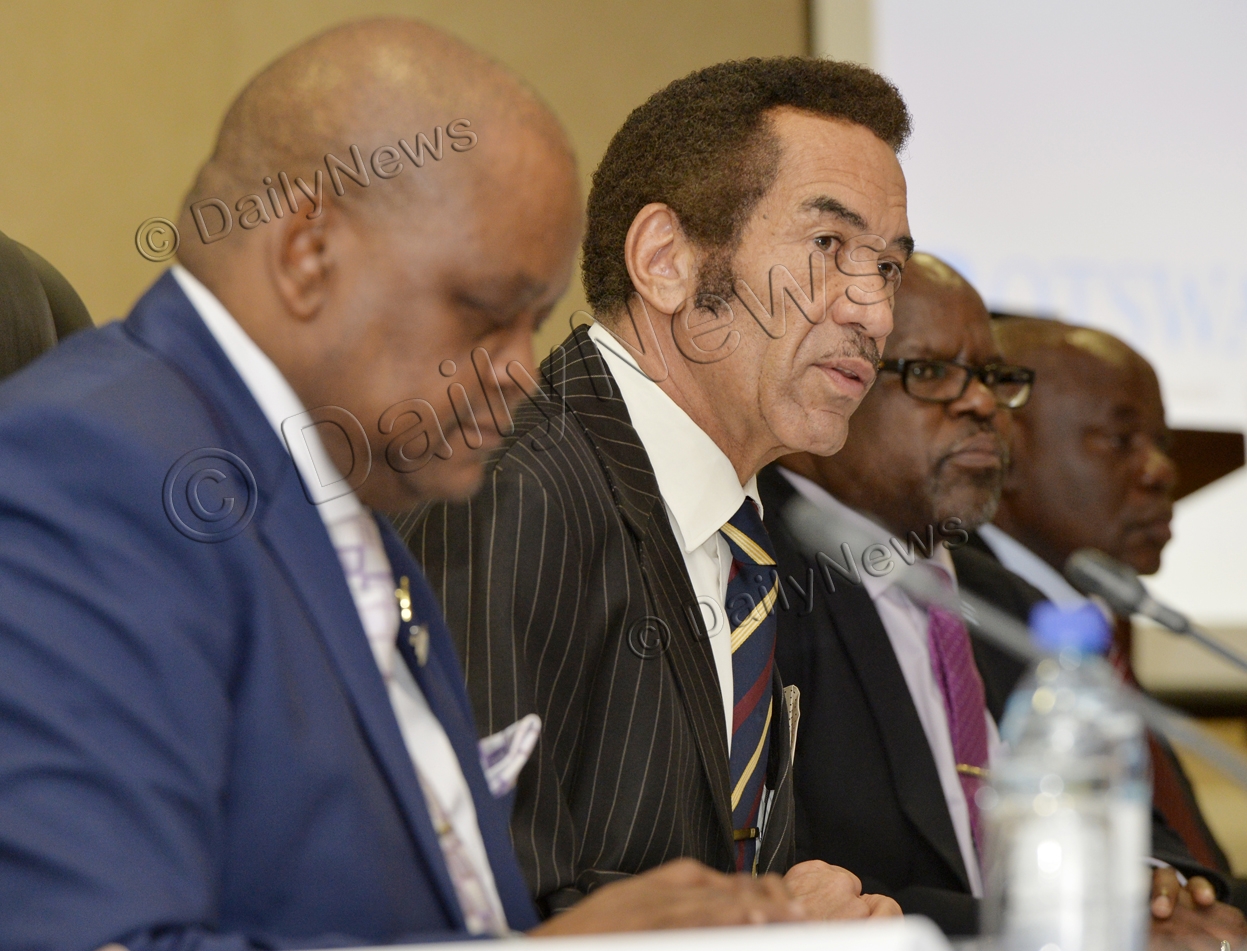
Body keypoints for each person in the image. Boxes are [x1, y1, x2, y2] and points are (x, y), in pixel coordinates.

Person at [0, 20, 815, 950]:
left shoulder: (349, 504)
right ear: (308, 255)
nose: (519, 370)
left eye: (535, 321)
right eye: (484, 312)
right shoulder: (91, 467)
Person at [405, 57, 912, 919]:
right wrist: (760, 925)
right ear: (665, 261)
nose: (874, 312)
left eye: (889, 267)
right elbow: (474, 903)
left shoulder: (748, 529)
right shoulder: (512, 490)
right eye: (827, 246)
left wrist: (795, 914)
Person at [762, 254, 1244, 944]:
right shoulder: (762, 586)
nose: (982, 404)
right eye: (931, 372)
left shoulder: (1005, 600)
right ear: (828, 382)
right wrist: (1083, 931)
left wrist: (1160, 888)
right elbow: (801, 886)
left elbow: (1142, 830)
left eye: (993, 377)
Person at [960, 314, 1247, 921]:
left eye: (1162, 443)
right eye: (1121, 440)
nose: (1159, 471)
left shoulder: (1096, 626)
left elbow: (1193, 883)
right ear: (1003, 449)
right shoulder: (959, 617)